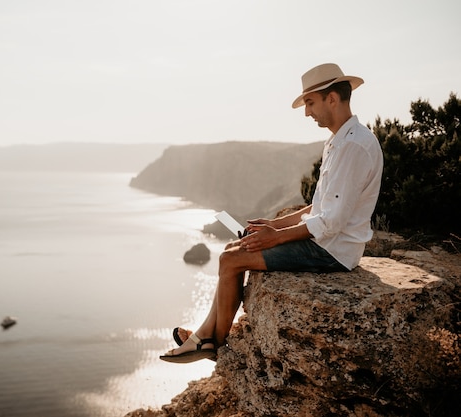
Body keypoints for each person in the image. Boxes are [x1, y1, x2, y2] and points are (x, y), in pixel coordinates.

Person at [160, 63, 384, 363]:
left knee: (231, 259)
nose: (307, 113)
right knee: (232, 247)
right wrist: (273, 225)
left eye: (309, 102)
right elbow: (321, 205)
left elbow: (331, 221)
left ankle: (212, 342)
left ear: (332, 97)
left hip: (332, 251)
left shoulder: (353, 146)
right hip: (326, 241)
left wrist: (275, 238)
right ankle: (204, 335)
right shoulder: (340, 140)